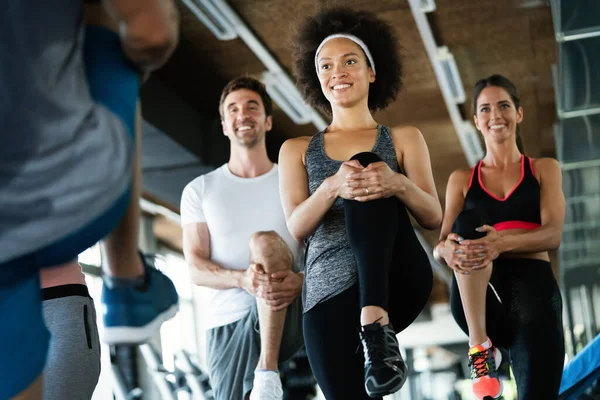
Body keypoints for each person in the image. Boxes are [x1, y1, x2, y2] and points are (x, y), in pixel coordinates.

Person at [0, 1, 179, 399]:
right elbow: (154, 35)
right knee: (109, 24)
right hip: (66, 212)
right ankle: (125, 278)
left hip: (33, 285)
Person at [279, 7, 441, 399]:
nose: (338, 72)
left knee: (370, 163)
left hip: (395, 280)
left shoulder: (404, 137)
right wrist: (333, 185)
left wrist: (396, 182)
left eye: (350, 61)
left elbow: (433, 216)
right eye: (327, 66)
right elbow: (297, 226)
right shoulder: (297, 149)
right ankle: (375, 337)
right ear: (318, 79)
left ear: (371, 71)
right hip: (327, 293)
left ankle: (374, 322)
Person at [433, 74, 565, 400]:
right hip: (482, 300)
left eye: (504, 106)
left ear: (518, 113)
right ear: (477, 121)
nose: (496, 116)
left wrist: (501, 243)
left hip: (533, 294)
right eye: (486, 109)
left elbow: (553, 234)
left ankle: (496, 353)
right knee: (467, 223)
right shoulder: (462, 179)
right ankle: (481, 350)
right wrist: (445, 252)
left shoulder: (543, 169)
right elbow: (441, 244)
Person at [180, 76, 305, 400]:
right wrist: (242, 280)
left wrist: (302, 280)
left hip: (291, 312)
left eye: (252, 107)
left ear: (268, 121)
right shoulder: (200, 190)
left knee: (265, 242)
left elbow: (327, 251)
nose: (243, 114)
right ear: (224, 125)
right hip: (228, 322)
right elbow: (195, 268)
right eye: (233, 109)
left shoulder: (294, 182)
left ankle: (267, 369)